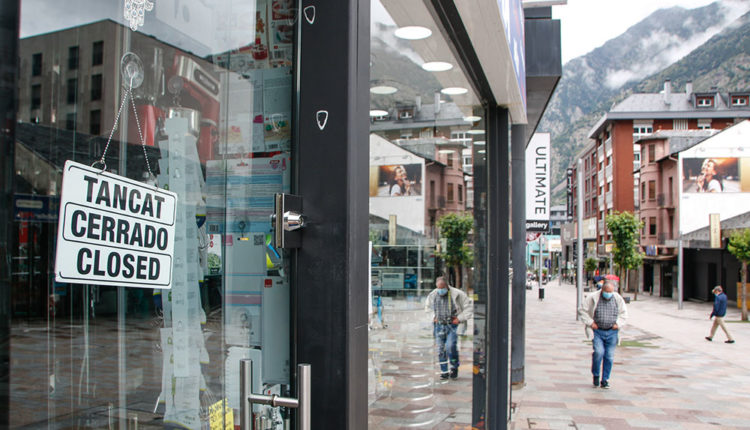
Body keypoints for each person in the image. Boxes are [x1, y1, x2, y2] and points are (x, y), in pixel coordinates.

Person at [578, 280, 628, 389]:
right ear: (602, 290)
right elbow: (582, 310)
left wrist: (618, 324)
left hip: (612, 331)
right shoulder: (593, 297)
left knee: (609, 356)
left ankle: (605, 379)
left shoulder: (617, 298)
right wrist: (591, 323)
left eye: (611, 292)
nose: (608, 294)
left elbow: (624, 313)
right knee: (598, 352)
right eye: (606, 292)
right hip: (598, 331)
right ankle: (596, 375)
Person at [424, 277, 473, 380]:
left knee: (450, 346)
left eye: (442, 288)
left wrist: (459, 318)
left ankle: (454, 367)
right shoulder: (433, 295)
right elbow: (427, 308)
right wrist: (433, 317)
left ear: (447, 286)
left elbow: (469, 308)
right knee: (441, 349)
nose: (440, 290)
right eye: (438, 288)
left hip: (452, 325)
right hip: (439, 325)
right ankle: (444, 371)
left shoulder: (458, 294)